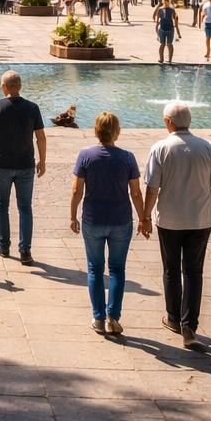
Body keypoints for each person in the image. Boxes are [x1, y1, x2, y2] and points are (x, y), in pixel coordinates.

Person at [142, 101, 211, 351]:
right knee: (193, 271)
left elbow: (152, 188)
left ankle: (173, 318)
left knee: (171, 270)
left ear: (169, 122)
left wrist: (146, 216)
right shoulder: (206, 147)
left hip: (169, 219)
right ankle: (189, 323)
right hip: (200, 219)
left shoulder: (160, 148)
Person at [70, 111, 147, 336]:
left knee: (95, 269)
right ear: (117, 132)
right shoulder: (127, 157)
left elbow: (76, 190)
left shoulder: (86, 155)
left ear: (96, 131)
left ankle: (98, 318)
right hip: (121, 219)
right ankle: (113, 317)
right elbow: (135, 192)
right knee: (117, 269)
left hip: (93, 219)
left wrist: (72, 215)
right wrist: (143, 218)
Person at [0, 69, 46, 266]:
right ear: (20, 86)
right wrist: (43, 160)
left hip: (3, 164)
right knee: (25, 208)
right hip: (25, 164)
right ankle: (25, 251)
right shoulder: (33, 108)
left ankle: (4, 246)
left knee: (1, 206)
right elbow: (41, 137)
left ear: (5, 87)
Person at [154, 0, 181, 64]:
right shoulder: (160, 9)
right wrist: (157, 30)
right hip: (162, 28)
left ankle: (170, 59)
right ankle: (161, 59)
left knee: (169, 44)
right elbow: (157, 21)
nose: (166, 3)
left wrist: (178, 32)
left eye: (167, 2)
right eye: (165, 1)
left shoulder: (171, 10)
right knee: (162, 44)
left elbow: (175, 19)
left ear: (168, 2)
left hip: (170, 28)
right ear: (163, 2)